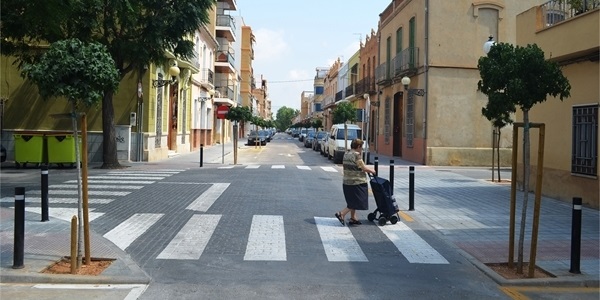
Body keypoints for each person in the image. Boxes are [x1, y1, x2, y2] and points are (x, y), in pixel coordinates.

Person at [335, 138, 376, 226]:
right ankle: (341, 213)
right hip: (357, 182)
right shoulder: (357, 155)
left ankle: (353, 218)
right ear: (358, 146)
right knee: (358, 200)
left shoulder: (346, 153)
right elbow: (363, 168)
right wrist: (372, 171)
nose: (361, 149)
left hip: (346, 181)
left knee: (352, 200)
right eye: (361, 147)